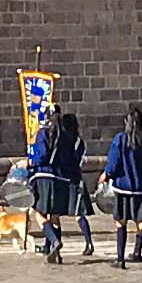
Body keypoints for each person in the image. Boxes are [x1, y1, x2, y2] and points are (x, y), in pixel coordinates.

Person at [92, 114, 142, 267]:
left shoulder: (121, 139)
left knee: (120, 222)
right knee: (140, 221)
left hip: (123, 187)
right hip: (141, 188)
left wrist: (107, 174)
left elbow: (114, 162)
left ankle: (120, 259)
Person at [28, 108, 82, 266]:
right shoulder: (67, 137)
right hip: (62, 179)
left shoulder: (44, 133)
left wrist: (31, 162)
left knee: (39, 213)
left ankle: (54, 240)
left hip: (45, 177)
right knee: (55, 216)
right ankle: (54, 252)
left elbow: (42, 156)